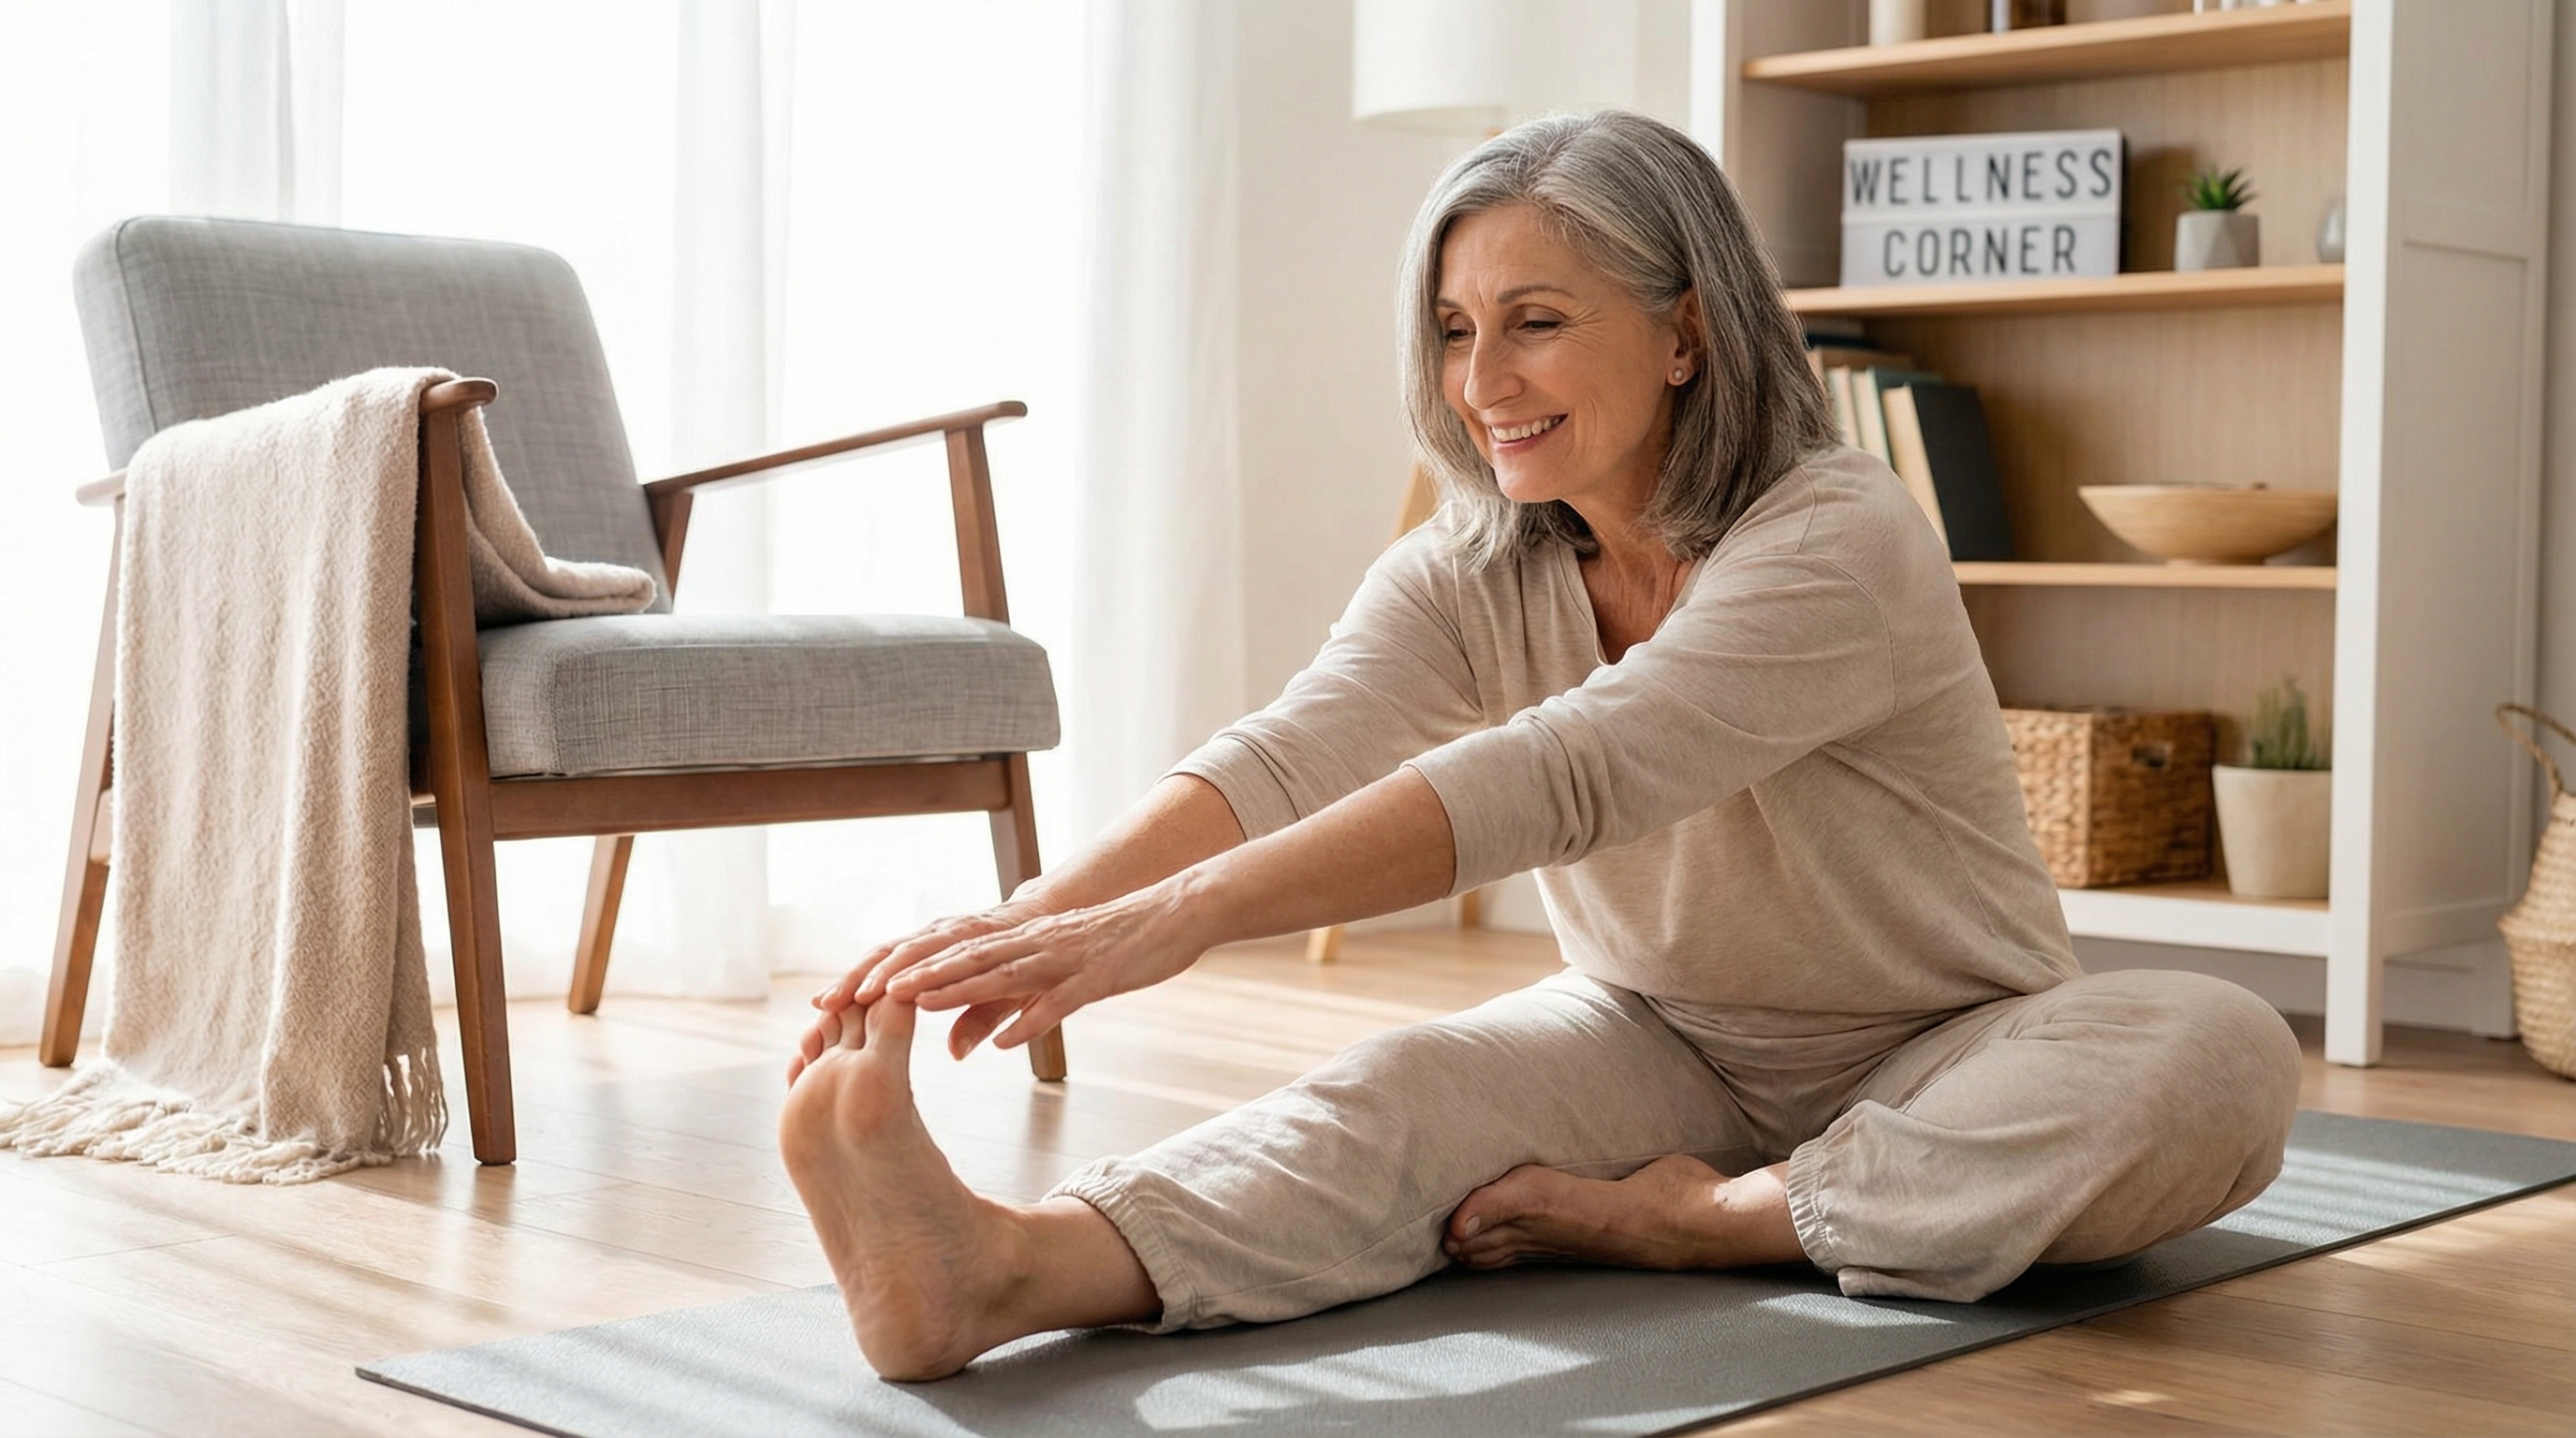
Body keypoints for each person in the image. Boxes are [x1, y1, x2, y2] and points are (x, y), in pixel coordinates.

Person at [778, 110, 2302, 1384]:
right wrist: (1026, 922)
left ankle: (1708, 1223)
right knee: (1400, 1089)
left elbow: (1574, 772)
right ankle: (999, 1270)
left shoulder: (1839, 533)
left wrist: (1179, 922)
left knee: (2219, 1054)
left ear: (1686, 333)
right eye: (1454, 331)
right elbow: (1287, 753)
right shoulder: (1468, 569)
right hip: (1656, 1037)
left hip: (1951, 1051)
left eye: (1537, 323)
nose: (1480, 384)